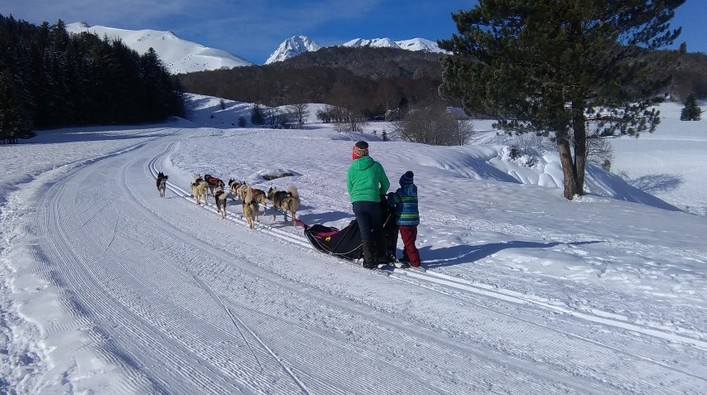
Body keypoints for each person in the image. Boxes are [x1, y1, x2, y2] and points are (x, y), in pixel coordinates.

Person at [346, 140, 390, 269]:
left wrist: (355, 198)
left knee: (365, 230)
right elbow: (386, 184)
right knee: (378, 228)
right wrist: (380, 194)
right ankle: (382, 255)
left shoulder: (351, 168)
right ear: (367, 152)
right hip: (374, 202)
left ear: (355, 152)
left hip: (358, 203)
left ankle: (368, 260)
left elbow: (350, 188)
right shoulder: (376, 166)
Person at [387, 171, 421, 267]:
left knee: (408, 242)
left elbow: (393, 200)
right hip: (414, 220)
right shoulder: (414, 191)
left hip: (404, 221)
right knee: (411, 240)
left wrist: (390, 195)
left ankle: (415, 262)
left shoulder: (401, 192)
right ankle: (407, 257)